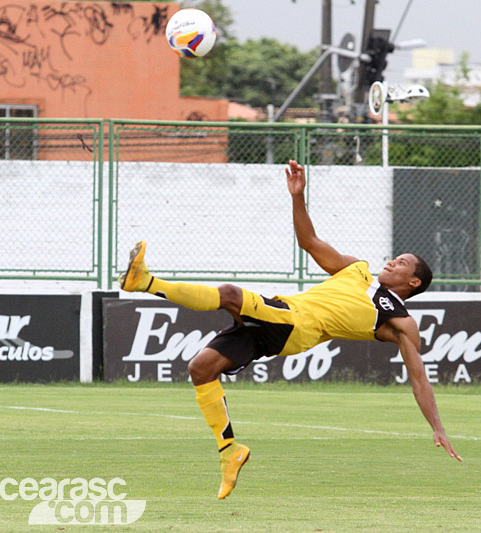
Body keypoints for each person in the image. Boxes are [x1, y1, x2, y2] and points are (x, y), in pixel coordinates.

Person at [119, 160, 462, 500]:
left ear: (414, 281)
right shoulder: (357, 270)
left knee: (229, 295)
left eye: (401, 263)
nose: (391, 262)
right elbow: (309, 240)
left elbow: (418, 376)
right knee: (201, 368)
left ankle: (145, 281)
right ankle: (229, 451)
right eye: (394, 257)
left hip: (291, 325)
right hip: (278, 315)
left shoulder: (400, 321)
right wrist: (298, 196)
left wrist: (437, 428)